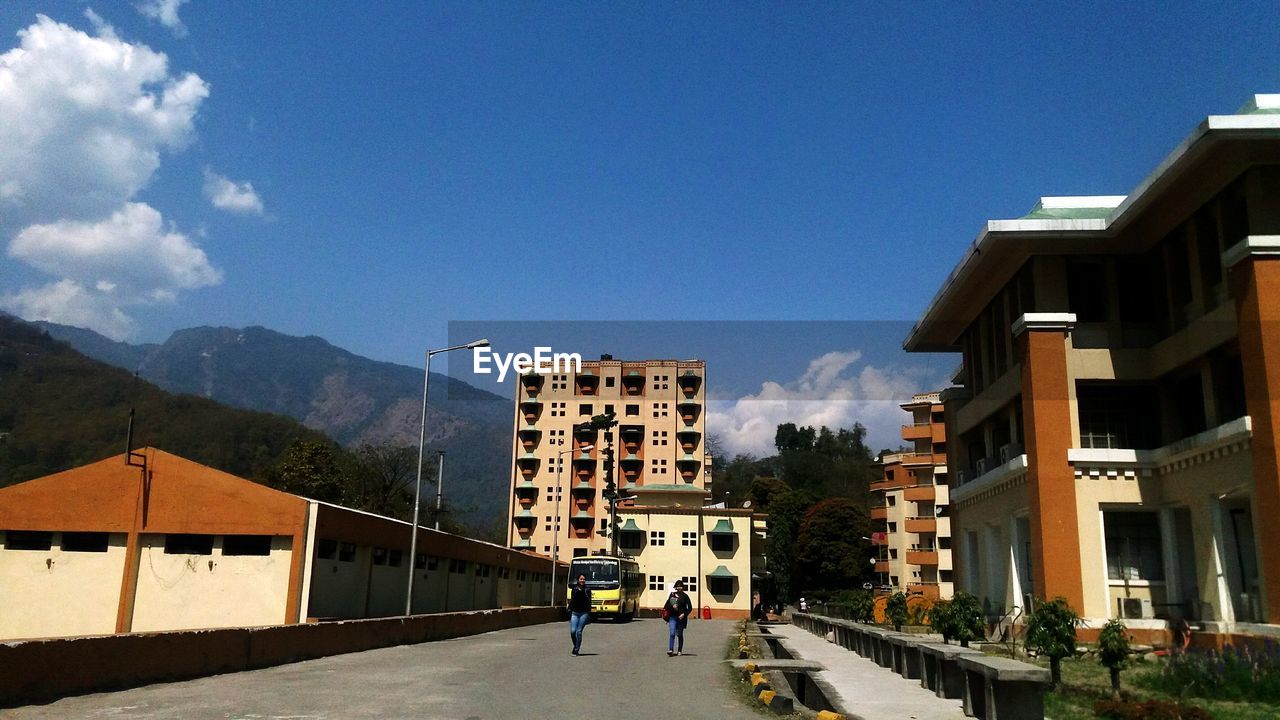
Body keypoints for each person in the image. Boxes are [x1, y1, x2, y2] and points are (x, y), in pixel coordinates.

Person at [663, 580, 693, 656]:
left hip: (681, 618)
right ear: (675, 587)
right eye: (678, 586)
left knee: (679, 634)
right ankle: (671, 649)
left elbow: (690, 608)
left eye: (680, 586)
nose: (679, 587)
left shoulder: (685, 596)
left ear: (683, 587)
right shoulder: (672, 595)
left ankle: (680, 650)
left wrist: (684, 614)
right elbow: (666, 606)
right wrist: (672, 606)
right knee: (672, 633)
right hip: (672, 617)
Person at [567, 573, 591, 656]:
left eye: (584, 579)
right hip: (575, 613)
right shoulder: (574, 589)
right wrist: (569, 609)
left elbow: (589, 601)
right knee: (573, 631)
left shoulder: (587, 589)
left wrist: (588, 612)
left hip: (584, 613)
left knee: (579, 631)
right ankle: (576, 645)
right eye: (581, 579)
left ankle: (576, 649)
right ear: (578, 580)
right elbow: (573, 600)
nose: (582, 580)